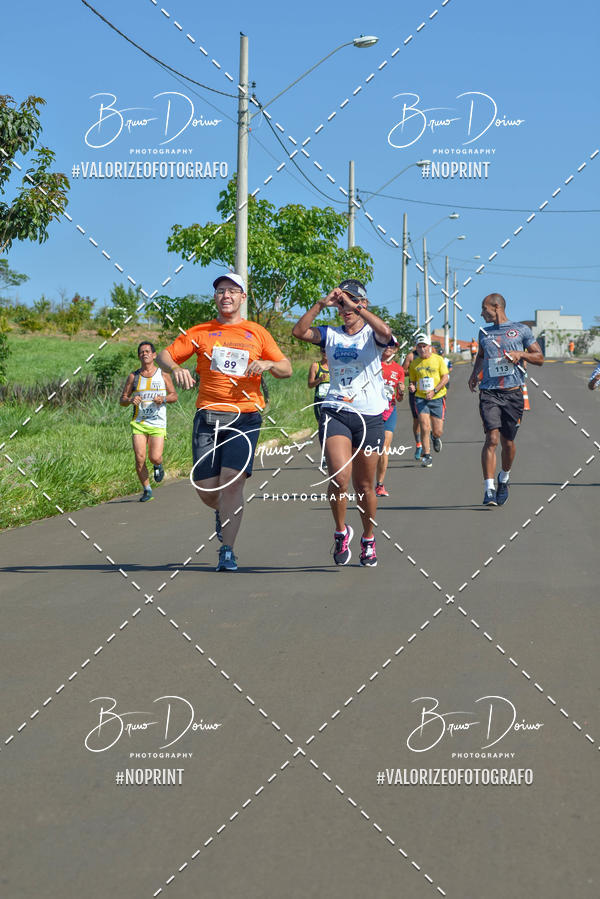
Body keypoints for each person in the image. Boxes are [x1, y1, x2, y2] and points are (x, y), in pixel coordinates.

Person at [156, 273, 292, 571]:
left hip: (245, 416)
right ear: (215, 297)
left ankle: (227, 551)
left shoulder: (257, 332)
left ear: (243, 297)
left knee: (231, 483)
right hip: (208, 416)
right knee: (206, 488)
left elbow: (286, 368)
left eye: (232, 291)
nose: (226, 295)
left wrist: (268, 363)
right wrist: (175, 368)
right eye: (220, 291)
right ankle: (224, 512)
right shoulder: (200, 332)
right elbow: (163, 356)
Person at [292, 278, 392, 567]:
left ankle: (368, 538)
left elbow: (386, 332)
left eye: (352, 301)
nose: (345, 307)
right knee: (339, 477)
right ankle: (340, 531)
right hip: (336, 410)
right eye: (341, 302)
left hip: (369, 416)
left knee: (365, 485)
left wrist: (356, 308)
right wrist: (321, 303)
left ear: (363, 304)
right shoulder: (331, 334)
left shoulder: (372, 334)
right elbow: (299, 332)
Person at [468, 293, 544, 506]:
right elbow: (481, 356)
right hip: (489, 393)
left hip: (512, 394)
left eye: (484, 308)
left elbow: (539, 358)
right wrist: (474, 374)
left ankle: (504, 477)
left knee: (507, 442)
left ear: (496, 307)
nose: (481, 313)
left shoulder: (521, 330)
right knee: (491, 439)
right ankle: (489, 489)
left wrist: (521, 354)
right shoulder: (484, 332)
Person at [120, 341, 178, 502]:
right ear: (139, 356)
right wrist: (130, 400)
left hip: (158, 423)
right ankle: (147, 489)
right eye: (141, 352)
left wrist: (163, 399)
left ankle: (158, 465)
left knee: (154, 457)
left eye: (147, 351)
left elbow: (174, 395)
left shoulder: (163, 375)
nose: (144, 354)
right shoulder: (134, 376)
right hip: (139, 422)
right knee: (139, 458)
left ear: (154, 355)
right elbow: (122, 399)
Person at [408, 334, 449, 468]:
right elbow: (412, 381)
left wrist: (435, 390)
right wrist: (412, 386)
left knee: (438, 431)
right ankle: (427, 455)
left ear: (429, 346)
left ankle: (435, 437)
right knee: (424, 426)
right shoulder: (414, 363)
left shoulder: (438, 360)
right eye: (419, 347)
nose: (422, 349)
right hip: (421, 398)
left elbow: (445, 378)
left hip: (437, 398)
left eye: (424, 346)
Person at [375, 338, 405, 496]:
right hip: (372, 410)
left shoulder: (398, 369)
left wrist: (401, 391)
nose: (389, 348)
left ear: (396, 350)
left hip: (389, 410)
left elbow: (399, 398)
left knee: (384, 448)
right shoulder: (373, 364)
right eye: (386, 345)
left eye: (392, 346)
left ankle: (380, 484)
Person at [402, 344, 422, 459]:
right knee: (417, 420)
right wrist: (414, 372)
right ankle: (419, 444)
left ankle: (429, 441)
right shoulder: (411, 356)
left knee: (427, 419)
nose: (422, 347)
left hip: (428, 392)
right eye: (419, 344)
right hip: (414, 391)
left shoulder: (432, 354)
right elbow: (402, 371)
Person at [307, 348, 330, 424]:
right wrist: (320, 379)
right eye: (323, 351)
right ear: (320, 351)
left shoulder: (335, 366)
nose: (325, 353)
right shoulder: (315, 366)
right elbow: (310, 385)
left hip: (332, 400)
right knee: (322, 423)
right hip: (320, 400)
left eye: (327, 350)